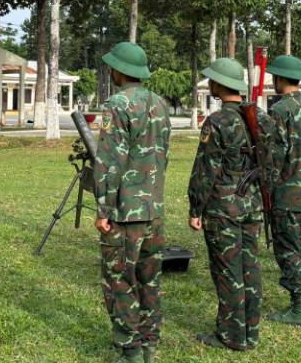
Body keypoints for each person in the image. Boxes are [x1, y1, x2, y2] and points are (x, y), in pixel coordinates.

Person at [93, 42, 171, 363]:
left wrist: (104, 210)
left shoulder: (117, 104)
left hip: (125, 216)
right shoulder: (160, 104)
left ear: (119, 71)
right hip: (154, 211)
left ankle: (131, 352)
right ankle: (149, 347)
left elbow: (110, 162)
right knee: (149, 281)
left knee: (120, 283)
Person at [189, 58, 274, 351]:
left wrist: (195, 208)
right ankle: (251, 333)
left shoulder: (217, 121)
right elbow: (271, 162)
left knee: (228, 271)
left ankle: (231, 336)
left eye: (211, 80)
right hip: (252, 204)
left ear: (219, 85)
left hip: (223, 208)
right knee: (250, 268)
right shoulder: (262, 118)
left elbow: (205, 170)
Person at [262, 55, 301, 327]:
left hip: (288, 193)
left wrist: (266, 187)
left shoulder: (280, 110)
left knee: (289, 250)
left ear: (279, 78)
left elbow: (276, 156)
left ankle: (299, 308)